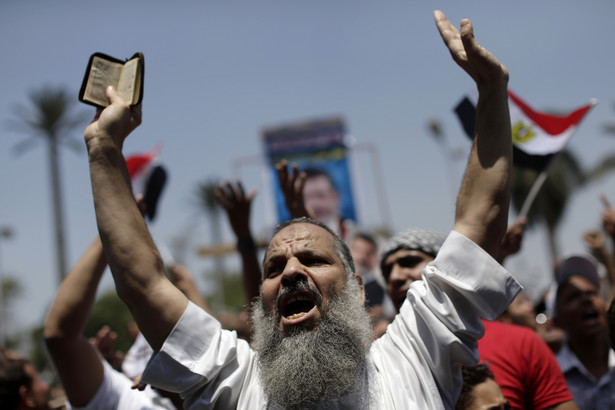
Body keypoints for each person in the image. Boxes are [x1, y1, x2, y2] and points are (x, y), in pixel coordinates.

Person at [84, 10, 521, 408]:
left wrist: (491, 90)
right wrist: (104, 149)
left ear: (357, 288)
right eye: (274, 268)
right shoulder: (235, 381)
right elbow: (143, 283)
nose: (291, 270)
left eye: (312, 259)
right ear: (262, 303)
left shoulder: (413, 356)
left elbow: (479, 221)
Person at [43, 233, 177, 410]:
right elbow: (59, 337)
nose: (46, 386)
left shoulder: (218, 392)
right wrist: (111, 230)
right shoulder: (128, 400)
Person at [553, 254, 615, 408]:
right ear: (558, 321)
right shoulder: (551, 375)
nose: (586, 300)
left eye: (591, 293)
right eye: (574, 297)